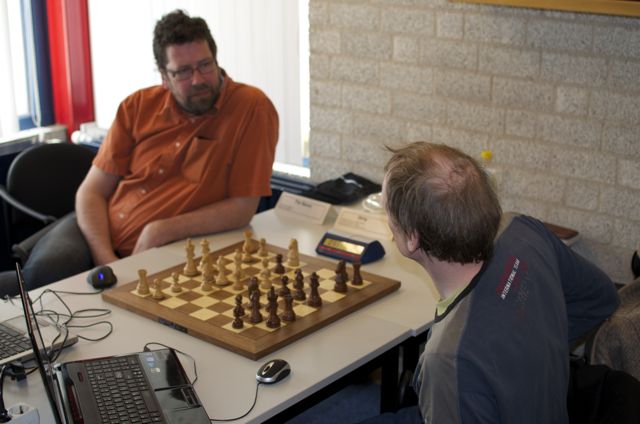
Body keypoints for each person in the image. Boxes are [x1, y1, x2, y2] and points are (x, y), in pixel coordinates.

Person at [0, 9, 278, 295]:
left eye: (205, 65)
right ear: (164, 76)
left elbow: (242, 208)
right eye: (183, 71)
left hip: (168, 244)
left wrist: (162, 229)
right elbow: (91, 192)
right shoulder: (137, 106)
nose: (198, 80)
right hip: (96, 228)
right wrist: (106, 260)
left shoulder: (251, 108)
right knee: (45, 276)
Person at [370, 142, 619, 423]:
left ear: (412, 237)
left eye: (387, 210)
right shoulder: (522, 231)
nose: (387, 220)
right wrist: (535, 351)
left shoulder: (448, 359)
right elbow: (601, 298)